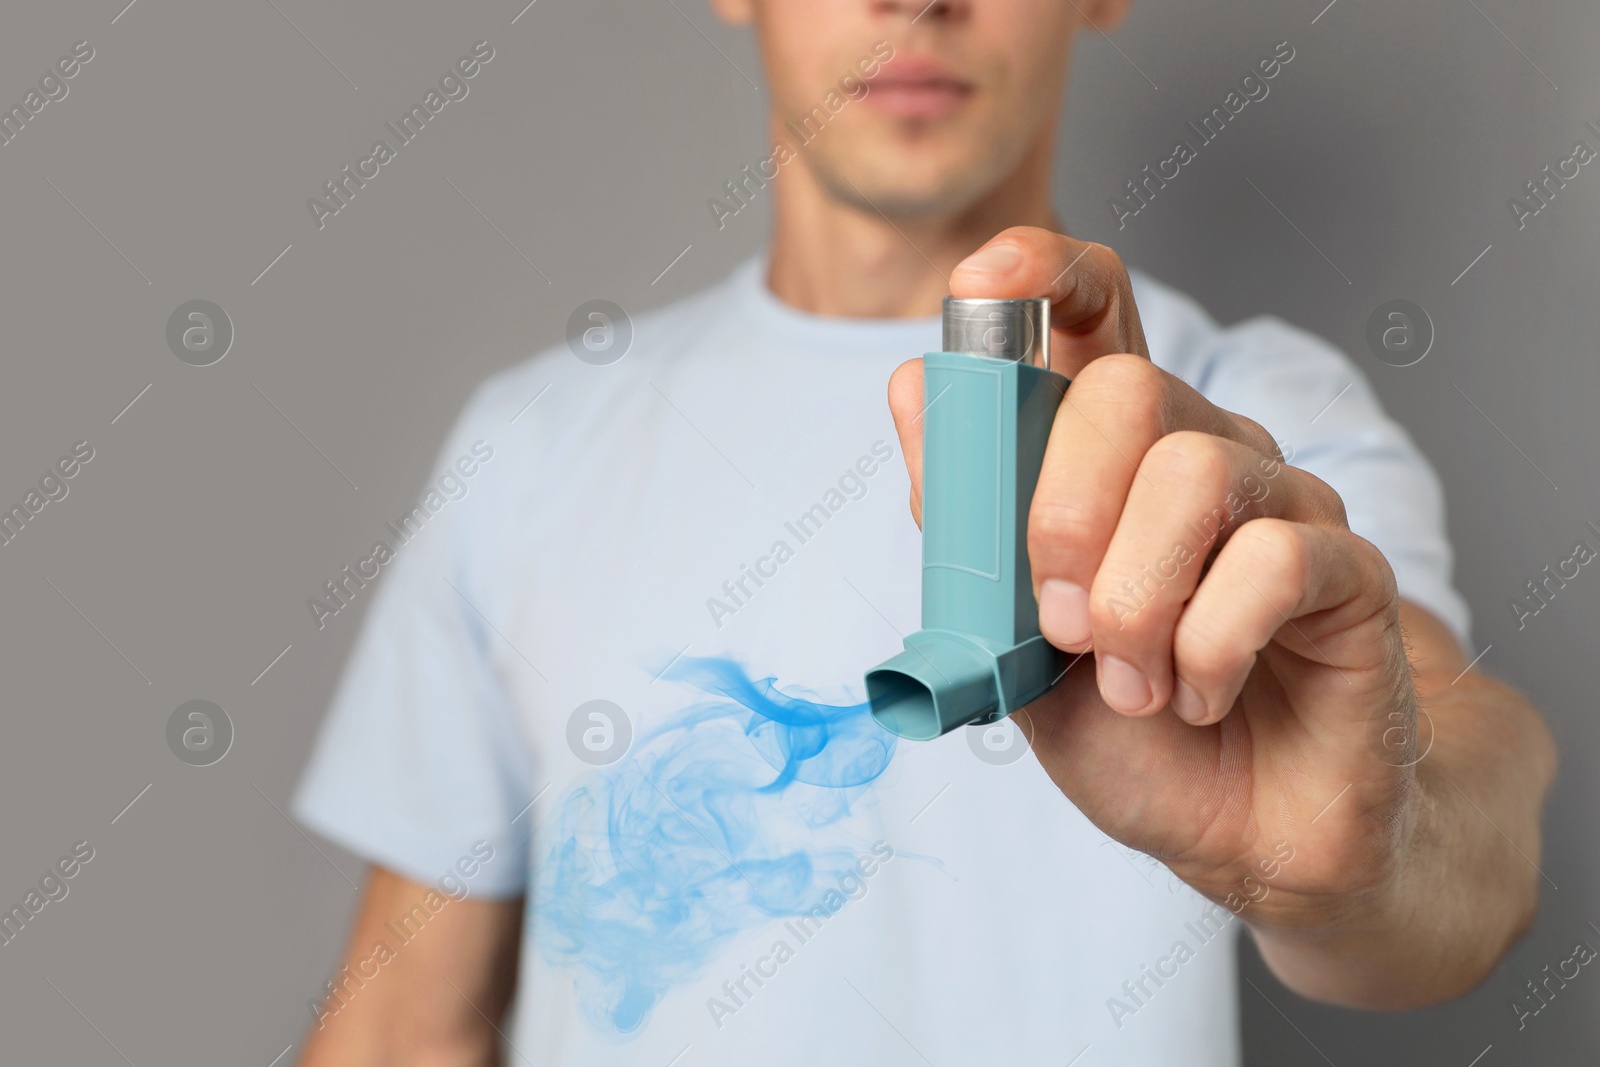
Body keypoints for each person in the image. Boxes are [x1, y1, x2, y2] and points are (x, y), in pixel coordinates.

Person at [293, 1, 1555, 1063]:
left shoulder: (1257, 422)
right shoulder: (531, 447)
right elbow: (402, 1027)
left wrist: (1353, 857)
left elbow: (1478, 814)